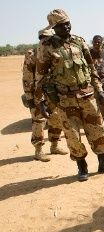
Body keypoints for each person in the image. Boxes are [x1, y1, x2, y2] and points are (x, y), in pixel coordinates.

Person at [35, 9, 104, 181]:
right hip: (64, 99)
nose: (66, 27)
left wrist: (98, 89)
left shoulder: (79, 41)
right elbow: (41, 76)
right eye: (61, 25)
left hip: (87, 95)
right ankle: (82, 167)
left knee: (98, 129)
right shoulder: (46, 46)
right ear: (54, 27)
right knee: (72, 135)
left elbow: (91, 68)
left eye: (68, 23)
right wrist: (41, 101)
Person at [21, 28, 67, 162]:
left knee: (56, 118)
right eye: (44, 38)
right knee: (39, 121)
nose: (47, 41)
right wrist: (30, 97)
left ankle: (54, 145)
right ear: (40, 39)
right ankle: (38, 150)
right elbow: (27, 77)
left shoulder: (56, 52)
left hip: (53, 92)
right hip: (37, 93)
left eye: (49, 38)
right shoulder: (32, 54)